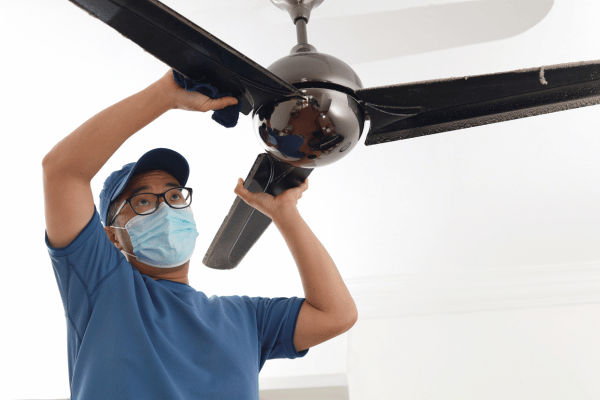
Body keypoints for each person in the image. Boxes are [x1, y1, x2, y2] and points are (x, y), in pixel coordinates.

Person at [42, 69, 358, 399]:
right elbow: (62, 172)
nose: (165, 208)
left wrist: (285, 213)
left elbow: (336, 314)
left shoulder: (245, 320)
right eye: (143, 201)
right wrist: (165, 94)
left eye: (175, 196)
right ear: (113, 236)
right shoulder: (103, 286)